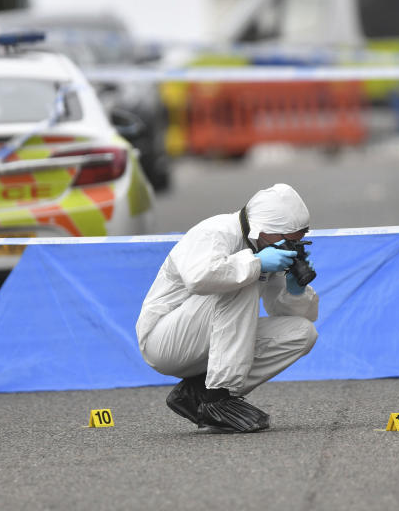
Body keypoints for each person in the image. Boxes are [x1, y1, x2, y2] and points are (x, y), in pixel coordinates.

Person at [136, 183, 319, 434]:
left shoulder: (263, 246)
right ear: (262, 230)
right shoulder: (215, 231)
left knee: (302, 333)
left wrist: (295, 291)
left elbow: (296, 316)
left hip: (204, 346)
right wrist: (255, 263)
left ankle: (197, 393)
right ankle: (217, 399)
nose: (290, 247)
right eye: (286, 240)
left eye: (297, 241)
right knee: (241, 281)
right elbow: (199, 278)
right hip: (164, 341)